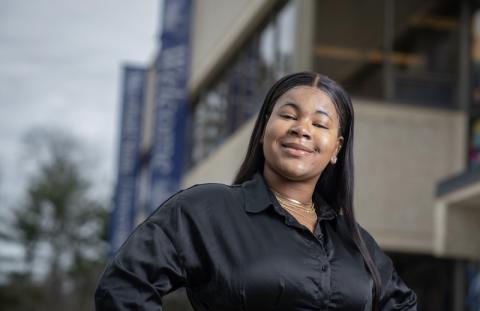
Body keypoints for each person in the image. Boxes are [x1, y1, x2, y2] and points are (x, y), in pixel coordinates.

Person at [95, 72, 417, 310]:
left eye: (319, 124)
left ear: (336, 148)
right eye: (288, 115)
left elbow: (402, 305)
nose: (301, 129)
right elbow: (125, 287)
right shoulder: (206, 210)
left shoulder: (353, 240)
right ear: (265, 128)